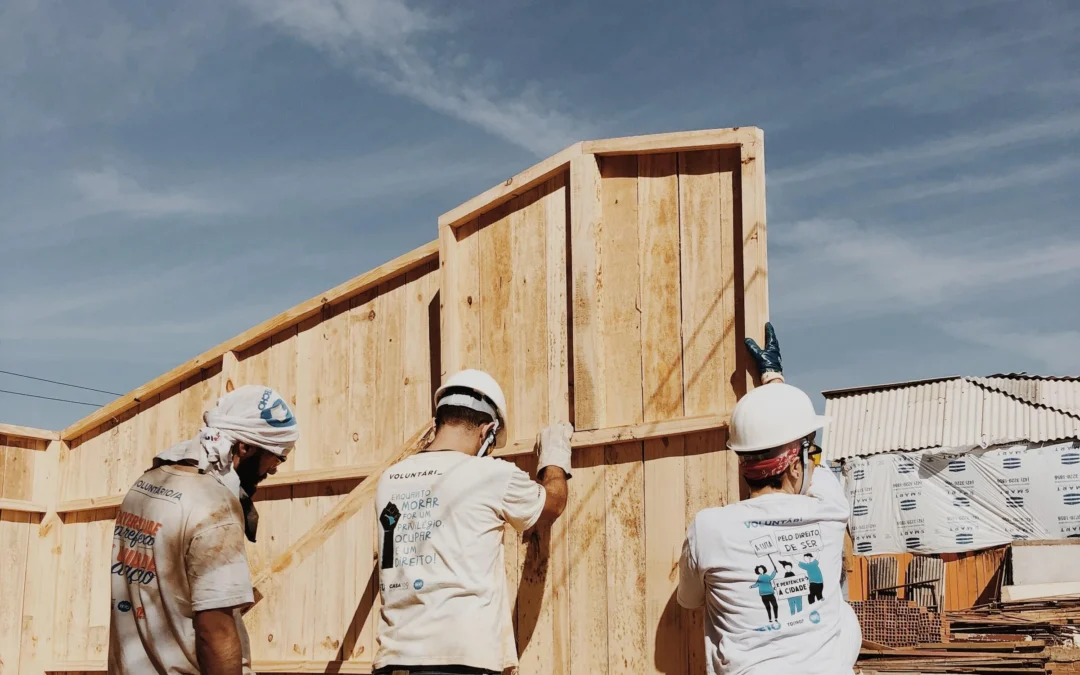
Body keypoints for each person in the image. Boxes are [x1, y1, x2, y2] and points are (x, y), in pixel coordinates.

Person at [677, 323, 862, 675]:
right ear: (796, 465)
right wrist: (773, 377)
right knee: (842, 611)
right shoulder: (830, 509)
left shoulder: (709, 528)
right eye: (812, 454)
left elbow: (689, 600)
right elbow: (806, 459)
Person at [372, 368, 572, 675]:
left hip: (393, 662)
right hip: (460, 661)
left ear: (439, 421)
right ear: (487, 430)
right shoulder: (490, 474)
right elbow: (553, 503)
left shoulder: (389, 479)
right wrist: (554, 458)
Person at [109, 385, 299, 675]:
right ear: (245, 447)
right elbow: (215, 631)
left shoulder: (145, 486)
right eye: (277, 456)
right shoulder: (214, 507)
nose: (274, 469)